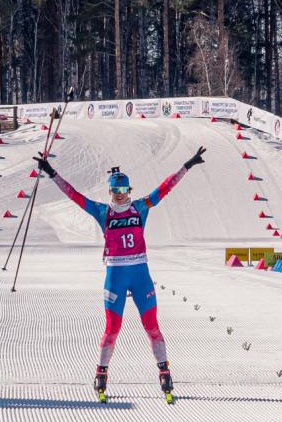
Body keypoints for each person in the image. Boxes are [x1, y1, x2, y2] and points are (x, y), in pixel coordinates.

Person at [33, 146, 206, 401]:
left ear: (130, 191)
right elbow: (75, 196)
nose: (121, 196)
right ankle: (101, 373)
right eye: (116, 191)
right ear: (110, 191)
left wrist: (187, 166)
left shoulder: (141, 207)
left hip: (140, 274)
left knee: (152, 326)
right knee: (112, 327)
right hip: (115, 274)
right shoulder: (103, 212)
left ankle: (164, 371)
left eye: (125, 190)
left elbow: (164, 188)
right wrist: (51, 172)